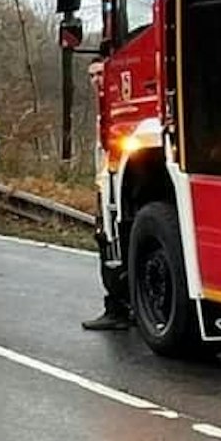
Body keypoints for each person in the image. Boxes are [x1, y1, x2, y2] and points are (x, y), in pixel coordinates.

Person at [82, 60, 132, 330]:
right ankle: (122, 304)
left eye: (101, 73)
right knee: (106, 243)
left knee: (111, 245)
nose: (97, 80)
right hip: (105, 185)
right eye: (92, 76)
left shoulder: (118, 108)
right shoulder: (103, 110)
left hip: (115, 187)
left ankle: (118, 308)